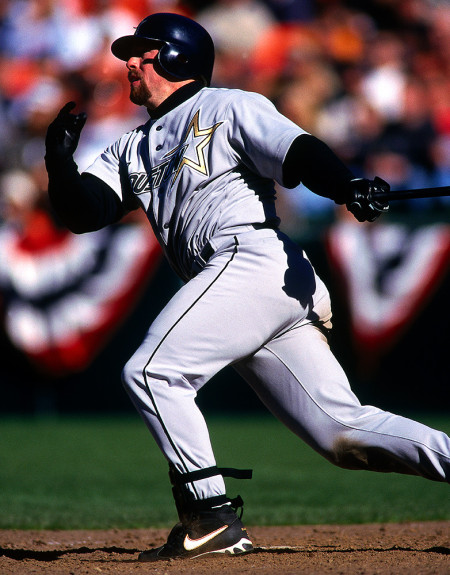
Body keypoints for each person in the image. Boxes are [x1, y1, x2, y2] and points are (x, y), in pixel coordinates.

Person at [44, 12, 450, 562]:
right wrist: (59, 164)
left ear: (176, 56)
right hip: (244, 288)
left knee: (150, 370)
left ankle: (208, 516)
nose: (129, 62)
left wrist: (346, 184)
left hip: (252, 261)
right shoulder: (130, 146)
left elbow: (299, 150)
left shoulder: (229, 104)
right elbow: (84, 213)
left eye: (142, 50)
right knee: (342, 434)